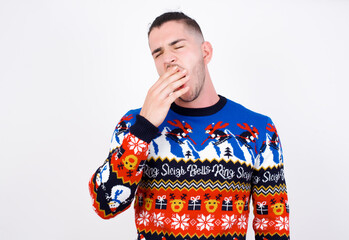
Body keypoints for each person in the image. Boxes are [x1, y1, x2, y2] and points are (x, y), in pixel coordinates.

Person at [89, 12, 290, 240]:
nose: (168, 59)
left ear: (205, 52)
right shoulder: (132, 124)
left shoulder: (258, 129)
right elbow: (105, 204)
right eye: (158, 53)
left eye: (178, 46)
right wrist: (144, 128)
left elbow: (274, 226)